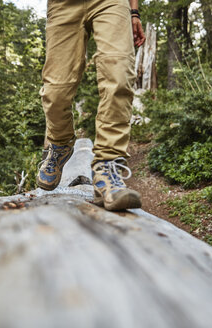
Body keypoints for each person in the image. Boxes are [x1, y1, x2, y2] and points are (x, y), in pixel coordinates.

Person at [36, 0, 145, 211]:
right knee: (55, 92)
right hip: (63, 6)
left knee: (119, 76)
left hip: (111, 3)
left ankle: (107, 167)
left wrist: (134, 12)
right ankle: (60, 144)